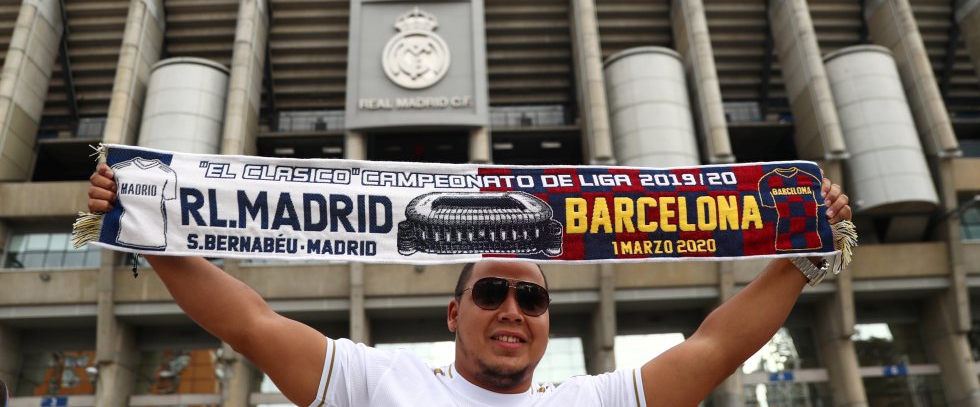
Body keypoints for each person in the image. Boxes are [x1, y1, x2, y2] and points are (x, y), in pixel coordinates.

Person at [88, 164, 852, 406]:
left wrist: (799, 257)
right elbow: (249, 323)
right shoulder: (378, 381)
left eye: (532, 297)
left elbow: (715, 348)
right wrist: (150, 233)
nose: (513, 309)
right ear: (456, 311)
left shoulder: (589, 401)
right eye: (492, 293)